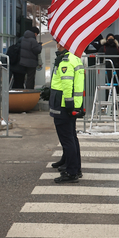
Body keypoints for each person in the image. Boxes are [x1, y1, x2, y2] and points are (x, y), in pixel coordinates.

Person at [49, 43, 85, 183]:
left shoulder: (66, 61)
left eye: (59, 42)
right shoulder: (74, 58)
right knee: (71, 137)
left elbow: (67, 84)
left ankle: (72, 172)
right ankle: (74, 167)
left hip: (63, 105)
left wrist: (69, 106)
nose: (57, 45)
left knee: (67, 139)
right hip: (69, 105)